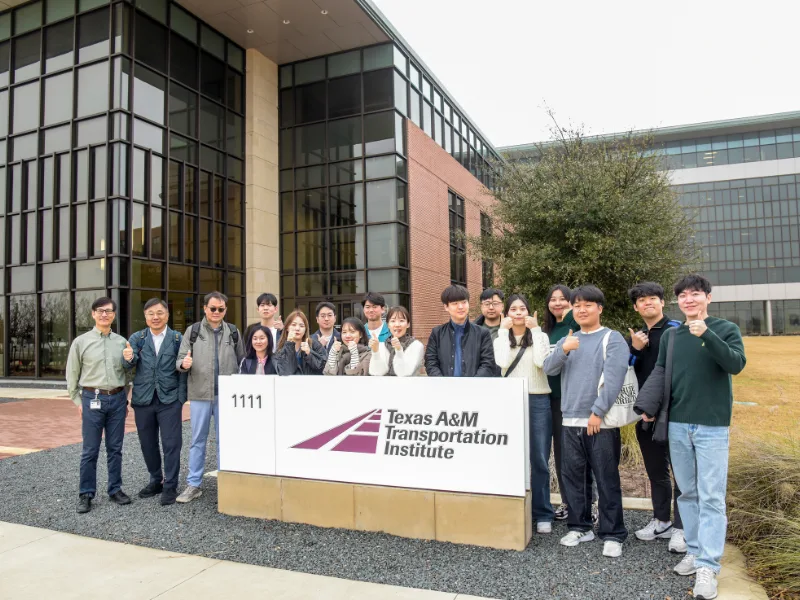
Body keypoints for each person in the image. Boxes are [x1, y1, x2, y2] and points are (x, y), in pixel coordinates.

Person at [637, 275, 745, 600]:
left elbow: (736, 364)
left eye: (695, 294)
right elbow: (659, 371)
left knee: (712, 496)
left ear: (708, 298)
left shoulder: (725, 329)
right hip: (677, 425)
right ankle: (695, 552)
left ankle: (708, 566)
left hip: (711, 425)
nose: (689, 300)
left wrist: (708, 335)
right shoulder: (672, 336)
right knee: (688, 494)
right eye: (683, 296)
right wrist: (648, 405)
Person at [543, 285, 629, 558]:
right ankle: (580, 526)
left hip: (597, 421)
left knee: (606, 478)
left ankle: (613, 533)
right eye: (576, 305)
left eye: (587, 305)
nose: (581, 309)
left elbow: (614, 379)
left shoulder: (612, 338)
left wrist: (598, 412)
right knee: (573, 478)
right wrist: (563, 350)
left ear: (599, 308)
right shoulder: (569, 338)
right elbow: (549, 369)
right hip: (569, 419)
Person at [627, 282, 685, 552]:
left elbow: (675, 374)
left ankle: (682, 528)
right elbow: (625, 370)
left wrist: (655, 408)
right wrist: (636, 349)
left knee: (682, 474)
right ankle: (661, 520)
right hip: (643, 414)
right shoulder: (636, 336)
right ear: (636, 306)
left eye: (653, 298)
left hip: (672, 413)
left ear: (662, 302)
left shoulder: (675, 331)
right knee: (655, 471)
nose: (647, 302)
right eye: (641, 299)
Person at [175, 291, 245, 504]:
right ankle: (194, 484)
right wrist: (183, 364)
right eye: (212, 308)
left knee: (226, 440)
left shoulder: (233, 331)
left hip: (226, 395)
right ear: (204, 308)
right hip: (199, 395)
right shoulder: (193, 331)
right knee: (197, 440)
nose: (216, 312)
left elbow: (243, 361)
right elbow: (180, 358)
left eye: (221, 309)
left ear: (225, 310)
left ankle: (227, 481)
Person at [493, 294, 553, 534]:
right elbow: (502, 362)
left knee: (539, 457)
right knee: (511, 457)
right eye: (513, 309)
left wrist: (537, 331)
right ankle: (515, 510)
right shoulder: (501, 338)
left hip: (538, 399)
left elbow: (541, 362)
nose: (518, 313)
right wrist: (501, 332)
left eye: (522, 309)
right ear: (506, 313)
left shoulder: (541, 336)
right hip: (510, 400)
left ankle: (543, 513)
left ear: (529, 312)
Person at [66, 296, 131, 514]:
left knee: (115, 448)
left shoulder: (122, 342)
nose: (105, 314)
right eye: (100, 311)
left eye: (109, 311)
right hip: (91, 399)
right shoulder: (81, 342)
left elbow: (128, 372)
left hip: (118, 400)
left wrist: (125, 396)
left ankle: (115, 490)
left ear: (114, 315)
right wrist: (77, 401)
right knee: (90, 450)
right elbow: (72, 375)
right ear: (93, 314)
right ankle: (86, 493)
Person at [123, 298, 187, 506]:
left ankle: (170, 484)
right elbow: (128, 364)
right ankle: (155, 479)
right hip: (143, 399)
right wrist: (128, 357)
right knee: (147, 443)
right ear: (145, 316)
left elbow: (184, 369)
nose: (155, 317)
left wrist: (180, 398)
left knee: (171, 443)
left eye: (160, 312)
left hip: (169, 400)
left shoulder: (177, 338)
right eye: (151, 313)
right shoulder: (137, 338)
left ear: (167, 315)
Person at [541, 284, 581, 522]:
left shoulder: (574, 325)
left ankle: (586, 504)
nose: (557, 303)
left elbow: (578, 325)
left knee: (573, 455)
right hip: (550, 399)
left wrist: (570, 311)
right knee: (559, 454)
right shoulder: (547, 331)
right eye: (553, 299)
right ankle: (567, 503)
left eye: (563, 299)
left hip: (571, 398)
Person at [424, 285, 496, 377]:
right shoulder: (437, 333)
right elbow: (431, 363)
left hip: (474, 389)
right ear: (446, 307)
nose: (461, 307)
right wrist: (443, 384)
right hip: (444, 388)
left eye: (464, 302)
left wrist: (471, 385)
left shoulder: (482, 333)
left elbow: (488, 364)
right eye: (455, 303)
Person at [369, 306, 425, 377]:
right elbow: (376, 372)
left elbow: (405, 373)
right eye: (393, 321)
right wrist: (375, 351)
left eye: (401, 321)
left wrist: (399, 350)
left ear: (408, 324)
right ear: (388, 325)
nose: (397, 325)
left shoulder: (416, 345)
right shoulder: (382, 345)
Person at [273, 310, 327, 375]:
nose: (297, 328)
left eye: (301, 326)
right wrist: (289, 344)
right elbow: (286, 372)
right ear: (287, 328)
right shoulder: (280, 349)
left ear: (305, 329)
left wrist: (309, 353)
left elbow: (322, 367)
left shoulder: (315, 345)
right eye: (293, 325)